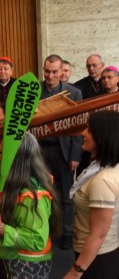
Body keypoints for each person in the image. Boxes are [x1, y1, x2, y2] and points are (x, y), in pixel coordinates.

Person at [0, 132, 62, 278]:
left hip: (24, 265)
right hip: (11, 257)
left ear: (14, 158)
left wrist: (0, 228)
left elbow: (37, 239)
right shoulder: (17, 183)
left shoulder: (31, 197)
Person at [64, 111, 119, 279]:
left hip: (97, 260)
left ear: (102, 137)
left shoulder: (101, 181)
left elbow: (99, 234)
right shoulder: (104, 166)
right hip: (99, 254)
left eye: (89, 130)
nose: (83, 133)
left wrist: (75, 272)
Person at [39, 54, 82, 250]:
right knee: (41, 193)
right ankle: (43, 230)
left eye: (54, 72)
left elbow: (79, 127)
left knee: (66, 196)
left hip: (63, 151)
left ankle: (66, 232)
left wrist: (75, 156)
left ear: (61, 71)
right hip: (39, 152)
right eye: (47, 71)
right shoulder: (34, 92)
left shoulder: (74, 93)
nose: (50, 75)